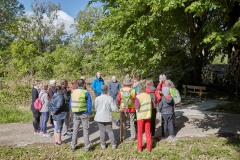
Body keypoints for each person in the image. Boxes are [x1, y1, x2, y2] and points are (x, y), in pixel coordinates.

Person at [70, 79, 92, 152]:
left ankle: (73, 145)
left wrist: (73, 111)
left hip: (76, 113)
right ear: (84, 84)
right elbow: (89, 104)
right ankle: (86, 147)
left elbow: (70, 103)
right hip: (84, 113)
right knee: (85, 130)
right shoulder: (86, 92)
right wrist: (88, 112)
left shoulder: (73, 92)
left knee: (75, 130)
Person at [94, 85, 118, 149]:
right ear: (107, 90)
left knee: (102, 131)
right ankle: (113, 144)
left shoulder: (97, 98)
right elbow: (113, 108)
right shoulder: (110, 98)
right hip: (107, 117)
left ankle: (103, 144)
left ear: (101, 91)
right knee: (109, 130)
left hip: (99, 117)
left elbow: (95, 108)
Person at [135, 83, 152, 152]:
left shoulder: (138, 97)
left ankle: (139, 148)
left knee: (140, 132)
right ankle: (149, 148)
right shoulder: (149, 96)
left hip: (141, 116)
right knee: (148, 132)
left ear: (139, 89)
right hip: (148, 116)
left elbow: (136, 107)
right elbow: (153, 105)